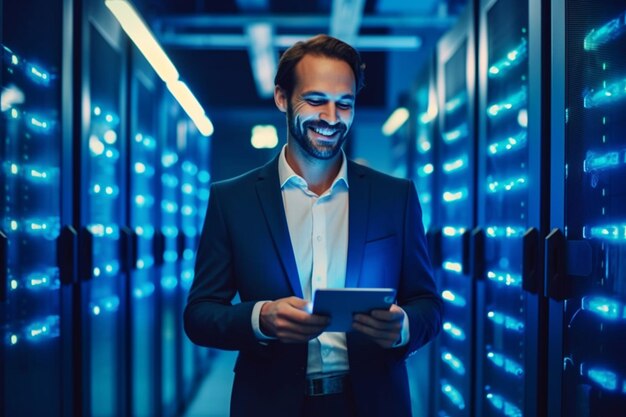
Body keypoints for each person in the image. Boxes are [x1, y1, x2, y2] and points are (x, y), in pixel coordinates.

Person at [184, 34, 442, 417]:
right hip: (270, 404)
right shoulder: (232, 200)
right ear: (282, 99)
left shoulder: (396, 197)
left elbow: (428, 305)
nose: (331, 118)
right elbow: (200, 314)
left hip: (372, 403)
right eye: (316, 101)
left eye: (345, 104)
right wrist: (261, 318)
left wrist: (403, 326)